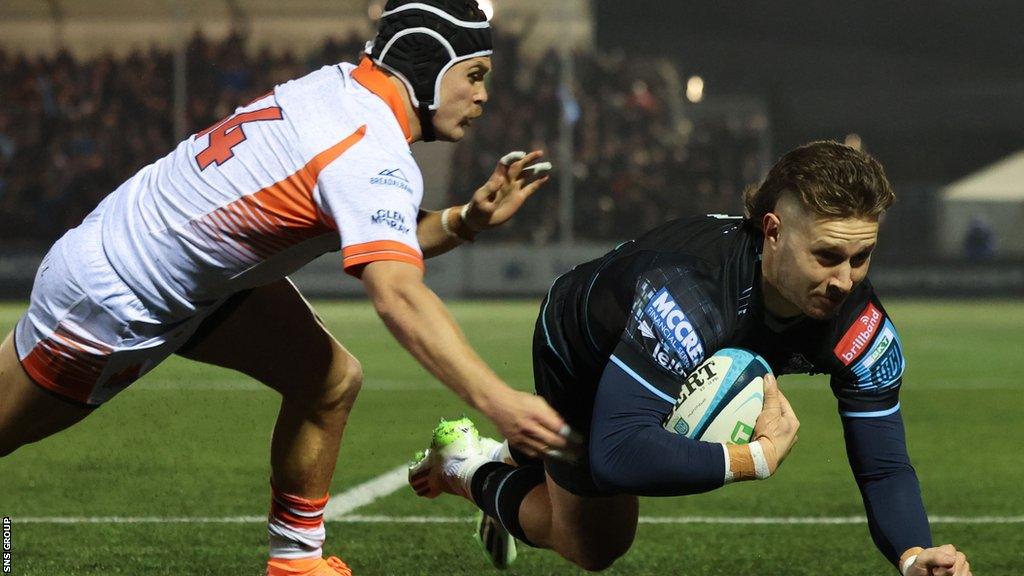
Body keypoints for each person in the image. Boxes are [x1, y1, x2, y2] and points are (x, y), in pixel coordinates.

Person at [0, 2, 579, 575]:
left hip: (168, 261)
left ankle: (296, 564)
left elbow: (369, 219)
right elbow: (398, 293)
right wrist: (497, 401)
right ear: (426, 65)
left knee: (327, 379)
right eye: (474, 76)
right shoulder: (368, 151)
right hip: (118, 299)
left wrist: (464, 221)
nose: (483, 96)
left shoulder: (338, 88)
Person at [411, 141, 973, 576]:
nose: (845, 281)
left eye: (861, 257)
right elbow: (618, 454)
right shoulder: (688, 293)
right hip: (584, 340)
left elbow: (884, 466)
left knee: (607, 472)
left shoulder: (861, 325)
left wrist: (913, 554)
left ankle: (526, 450)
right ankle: (465, 464)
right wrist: (752, 458)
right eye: (827, 255)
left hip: (682, 347)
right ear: (773, 232)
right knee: (594, 545)